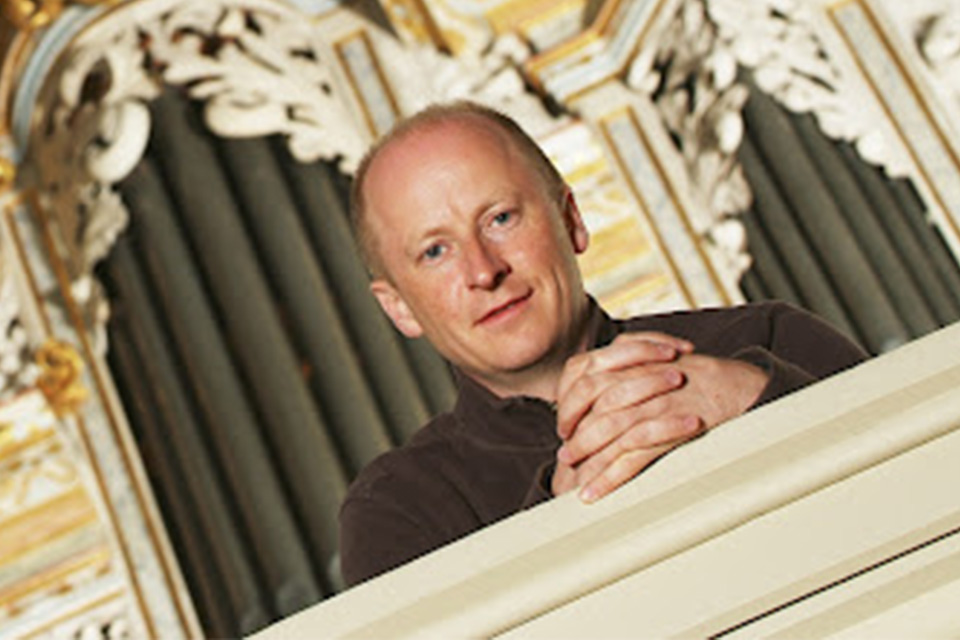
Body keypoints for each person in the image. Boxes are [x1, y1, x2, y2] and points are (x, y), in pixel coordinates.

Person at [338, 101, 867, 587]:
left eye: (500, 219)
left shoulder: (770, 339)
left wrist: (769, 404)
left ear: (571, 220)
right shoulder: (398, 509)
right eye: (435, 251)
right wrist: (560, 526)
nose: (483, 270)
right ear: (399, 307)